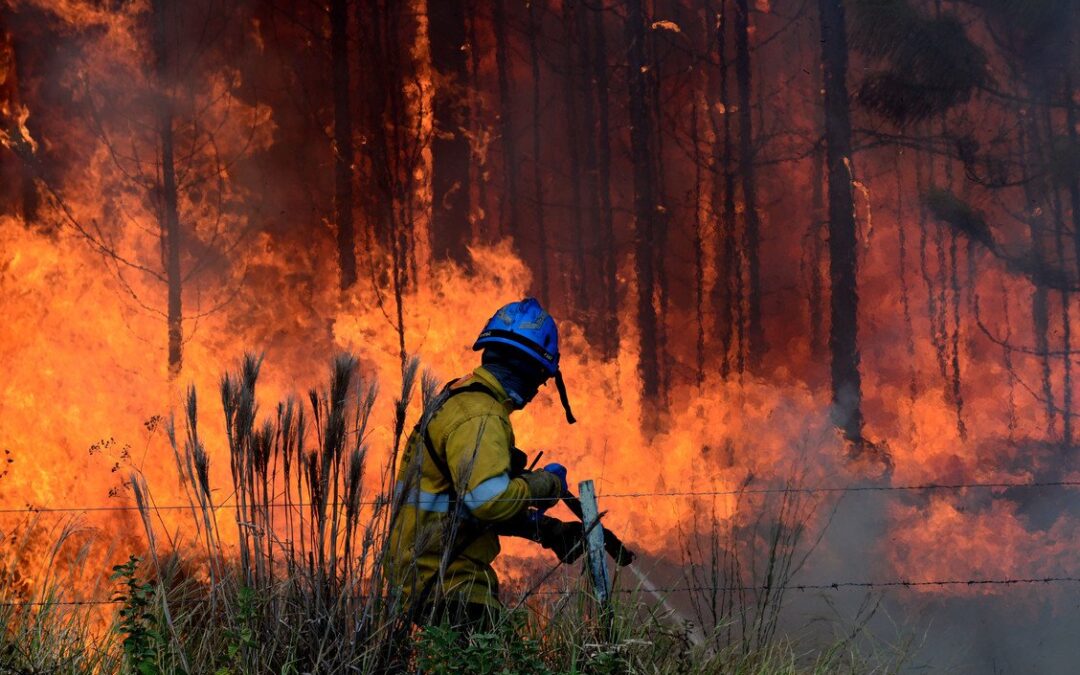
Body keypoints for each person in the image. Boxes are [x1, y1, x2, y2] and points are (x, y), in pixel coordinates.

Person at [386, 298, 585, 630]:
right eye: (541, 378)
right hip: (450, 582)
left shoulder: (459, 400)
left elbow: (464, 506)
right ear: (528, 369)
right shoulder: (482, 416)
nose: (537, 390)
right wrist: (545, 484)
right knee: (504, 657)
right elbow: (489, 501)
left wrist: (546, 530)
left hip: (427, 576)